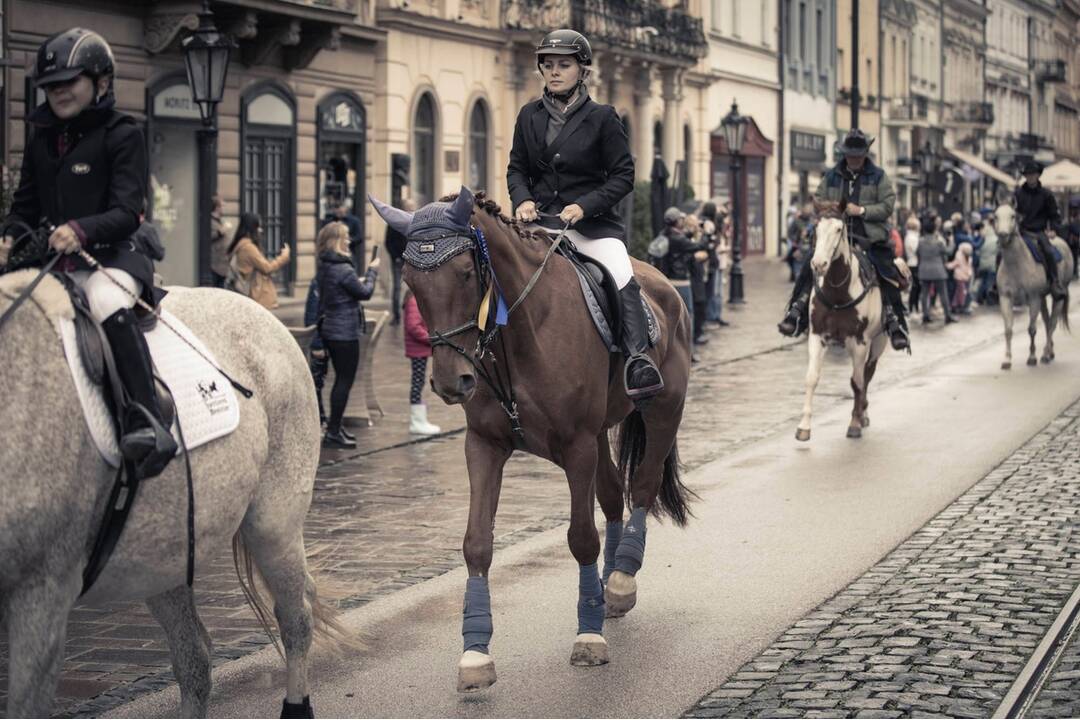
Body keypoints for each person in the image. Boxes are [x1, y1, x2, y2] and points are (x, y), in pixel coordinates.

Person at [2, 28, 177, 479]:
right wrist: (7, 237)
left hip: (114, 258)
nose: (58, 91)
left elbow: (126, 212)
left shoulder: (123, 135)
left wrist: (80, 229)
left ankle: (147, 419)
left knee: (104, 301)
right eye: (51, 85)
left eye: (69, 81)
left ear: (100, 82)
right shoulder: (42, 138)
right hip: (55, 265)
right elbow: (25, 205)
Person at [506, 29, 662, 403]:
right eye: (548, 65)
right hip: (540, 224)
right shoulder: (528, 115)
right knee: (499, 269)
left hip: (592, 227)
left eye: (563, 65)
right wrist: (523, 199)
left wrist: (584, 205)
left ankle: (637, 359)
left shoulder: (603, 118)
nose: (554, 72)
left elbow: (624, 176)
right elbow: (516, 169)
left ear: (582, 70)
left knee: (620, 270)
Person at [778, 129, 908, 350]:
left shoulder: (878, 176)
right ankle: (797, 310)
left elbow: (887, 205)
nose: (854, 159)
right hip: (835, 234)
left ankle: (894, 319)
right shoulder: (832, 174)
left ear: (865, 154)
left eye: (858, 155)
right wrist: (834, 209)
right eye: (850, 155)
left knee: (885, 269)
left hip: (869, 235)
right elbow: (818, 198)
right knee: (812, 262)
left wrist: (862, 210)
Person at [318, 221, 380, 448]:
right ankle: (333, 431)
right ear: (336, 240)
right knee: (344, 381)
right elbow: (365, 293)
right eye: (345, 237)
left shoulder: (326, 264)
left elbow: (345, 290)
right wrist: (373, 271)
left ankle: (336, 427)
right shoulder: (343, 268)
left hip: (332, 329)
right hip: (344, 333)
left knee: (340, 382)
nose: (349, 240)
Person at [304, 221, 344, 426]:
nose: (349, 242)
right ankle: (318, 419)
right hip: (324, 335)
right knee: (317, 381)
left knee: (324, 379)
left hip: (333, 333)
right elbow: (313, 311)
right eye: (345, 238)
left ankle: (323, 420)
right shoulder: (324, 273)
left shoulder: (336, 266)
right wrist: (317, 343)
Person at [1014, 160, 1066, 300]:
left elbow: (1054, 215)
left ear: (1038, 175)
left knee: (1048, 251)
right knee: (1002, 249)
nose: (1030, 177)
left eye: (1033, 174)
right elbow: (1014, 211)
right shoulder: (1018, 193)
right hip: (1021, 231)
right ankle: (997, 285)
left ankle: (1055, 282)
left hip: (1038, 232)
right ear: (1025, 176)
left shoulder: (1046, 195)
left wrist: (1054, 229)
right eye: (1028, 175)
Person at [227, 212, 290, 309]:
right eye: (258, 227)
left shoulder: (241, 244)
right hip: (254, 294)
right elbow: (267, 268)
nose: (260, 230)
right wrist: (284, 257)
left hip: (247, 292)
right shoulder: (248, 248)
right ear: (251, 228)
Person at [402, 289, 441, 435]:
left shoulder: (415, 300)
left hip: (419, 349)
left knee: (419, 382)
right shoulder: (414, 302)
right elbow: (413, 327)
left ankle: (420, 420)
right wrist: (431, 338)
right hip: (417, 349)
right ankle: (417, 421)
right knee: (417, 383)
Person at [917, 214, 954, 324]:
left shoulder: (920, 242)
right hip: (938, 270)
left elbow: (917, 253)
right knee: (943, 293)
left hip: (924, 270)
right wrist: (951, 241)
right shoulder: (939, 242)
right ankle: (947, 315)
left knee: (925, 294)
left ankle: (925, 315)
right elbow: (949, 251)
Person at [385, 197, 416, 326]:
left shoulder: (417, 221)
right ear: (403, 208)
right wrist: (396, 257)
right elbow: (388, 242)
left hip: (414, 260)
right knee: (397, 289)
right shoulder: (394, 222)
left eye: (412, 207)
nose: (411, 209)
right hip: (398, 260)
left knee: (415, 287)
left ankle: (415, 315)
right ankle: (396, 317)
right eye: (409, 207)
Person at [699, 201, 728, 327]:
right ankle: (710, 317)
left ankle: (712, 316)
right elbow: (709, 244)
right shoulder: (708, 224)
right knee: (710, 291)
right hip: (710, 262)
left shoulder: (703, 223)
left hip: (711, 262)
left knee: (712, 291)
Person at [321, 200, 364, 270]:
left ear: (345, 208)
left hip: (349, 253)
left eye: (339, 208)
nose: (337, 210)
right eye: (335, 208)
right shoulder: (330, 221)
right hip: (333, 254)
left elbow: (359, 237)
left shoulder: (354, 221)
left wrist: (347, 240)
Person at [208, 193, 230, 287]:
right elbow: (207, 237)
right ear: (217, 208)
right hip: (214, 265)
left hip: (222, 264)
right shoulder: (210, 221)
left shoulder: (220, 221)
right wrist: (220, 232)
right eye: (222, 206)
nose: (223, 209)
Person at [947, 242, 974, 315]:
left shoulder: (959, 257)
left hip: (959, 277)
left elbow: (953, 264)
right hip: (966, 277)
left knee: (959, 292)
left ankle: (956, 305)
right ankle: (960, 306)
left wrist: (946, 265)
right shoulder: (969, 258)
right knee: (962, 292)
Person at [903, 215, 921, 314]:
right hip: (914, 264)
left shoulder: (910, 236)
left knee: (916, 287)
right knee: (915, 287)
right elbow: (916, 250)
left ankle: (914, 306)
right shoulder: (912, 237)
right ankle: (912, 307)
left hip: (912, 262)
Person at [1064, 196, 1080, 280]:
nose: (1074, 210)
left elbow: (1076, 230)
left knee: (1074, 256)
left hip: (1075, 240)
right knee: (1072, 256)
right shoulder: (1070, 218)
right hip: (1070, 239)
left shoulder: (1076, 218)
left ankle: (1075, 272)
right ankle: (1073, 272)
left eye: (1076, 208)